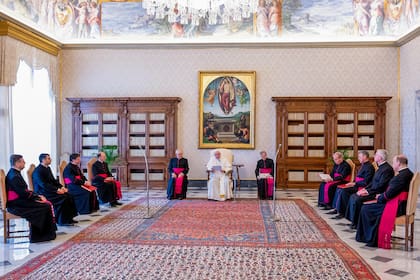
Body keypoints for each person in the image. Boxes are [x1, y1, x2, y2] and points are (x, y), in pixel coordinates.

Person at [356, 155, 413, 248]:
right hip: (402, 205)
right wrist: (382, 196)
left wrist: (380, 197)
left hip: (398, 207)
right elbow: (393, 192)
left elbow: (389, 194)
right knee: (368, 207)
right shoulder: (408, 173)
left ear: (398, 163)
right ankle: (371, 237)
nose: (393, 164)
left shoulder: (401, 176)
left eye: (394, 162)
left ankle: (371, 239)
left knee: (366, 209)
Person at [5, 154, 56, 243]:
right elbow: (23, 193)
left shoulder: (14, 173)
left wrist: (37, 196)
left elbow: (24, 191)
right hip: (17, 205)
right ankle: (39, 236)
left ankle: (47, 233)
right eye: (22, 161)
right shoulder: (14, 176)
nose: (24, 163)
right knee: (44, 207)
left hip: (19, 201)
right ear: (17, 163)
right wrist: (38, 197)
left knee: (45, 205)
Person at [345, 149, 394, 229]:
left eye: (376, 155)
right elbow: (372, 182)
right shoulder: (380, 167)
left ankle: (357, 223)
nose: (374, 156)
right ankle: (354, 221)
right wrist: (365, 189)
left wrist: (368, 191)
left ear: (380, 157)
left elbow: (381, 186)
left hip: (378, 193)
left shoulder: (387, 169)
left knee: (357, 199)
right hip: (373, 190)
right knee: (354, 196)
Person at [32, 153, 78, 226]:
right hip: (43, 192)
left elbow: (53, 181)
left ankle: (69, 218)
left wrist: (61, 187)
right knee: (63, 198)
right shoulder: (38, 171)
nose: (50, 160)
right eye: (48, 158)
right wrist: (56, 190)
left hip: (50, 190)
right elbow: (43, 185)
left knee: (69, 195)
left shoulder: (48, 168)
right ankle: (61, 220)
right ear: (43, 160)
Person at [331, 150, 375, 219]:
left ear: (365, 157)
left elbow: (366, 182)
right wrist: (353, 183)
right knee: (342, 190)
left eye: (359, 157)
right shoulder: (363, 165)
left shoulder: (369, 167)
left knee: (344, 191)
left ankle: (343, 212)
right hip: (357, 185)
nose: (358, 158)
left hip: (361, 187)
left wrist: (354, 183)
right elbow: (358, 177)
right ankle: (339, 209)